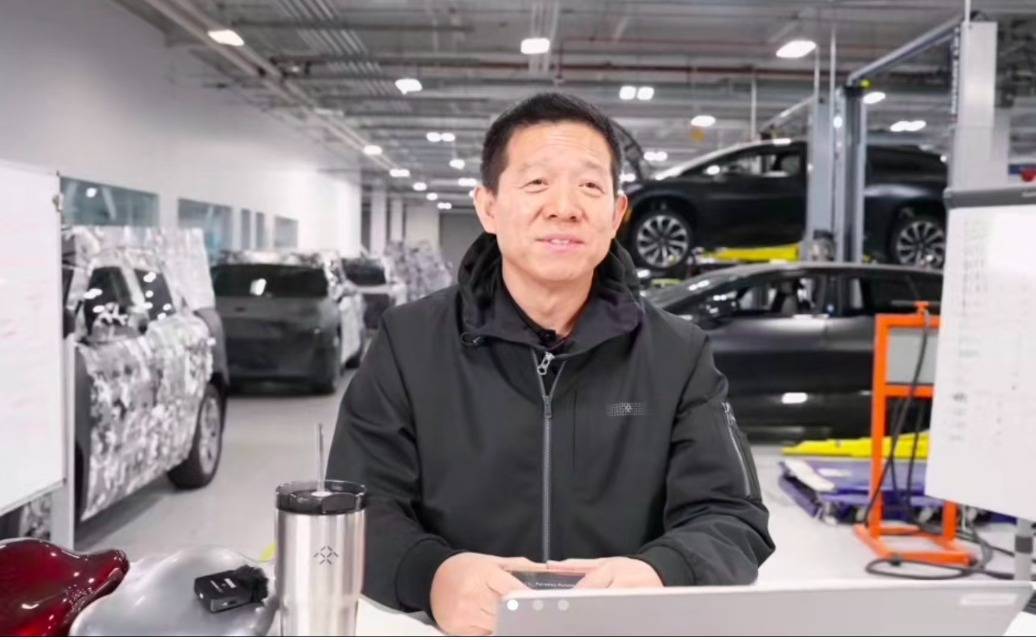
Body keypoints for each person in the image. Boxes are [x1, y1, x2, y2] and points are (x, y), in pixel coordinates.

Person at [328, 92, 774, 635]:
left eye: (590, 186)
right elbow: (354, 508)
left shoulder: (678, 354)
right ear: (488, 207)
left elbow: (732, 515)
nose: (564, 206)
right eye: (537, 182)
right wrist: (432, 575)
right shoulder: (409, 342)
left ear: (617, 213)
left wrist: (663, 573)